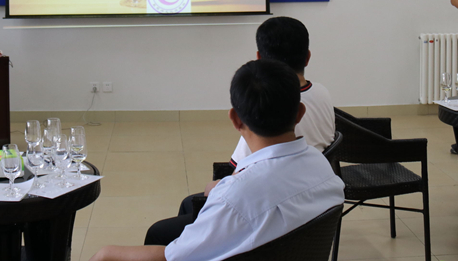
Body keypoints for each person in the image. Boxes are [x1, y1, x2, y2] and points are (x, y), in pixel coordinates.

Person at [91, 59, 345, 261]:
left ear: (235, 119)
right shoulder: (323, 167)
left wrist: (105, 254)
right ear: (300, 113)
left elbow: (175, 257)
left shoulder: (233, 199)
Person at [143, 16, 335, 246]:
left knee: (162, 230)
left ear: (236, 120)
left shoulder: (262, 126)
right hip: (300, 204)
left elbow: (238, 180)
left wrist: (217, 188)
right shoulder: (322, 98)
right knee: (188, 204)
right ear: (307, 56)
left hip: (262, 212)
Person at [228, 16, 334, 166]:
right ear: (307, 57)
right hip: (316, 170)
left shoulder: (268, 108)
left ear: (260, 59)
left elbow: (239, 167)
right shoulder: (323, 93)